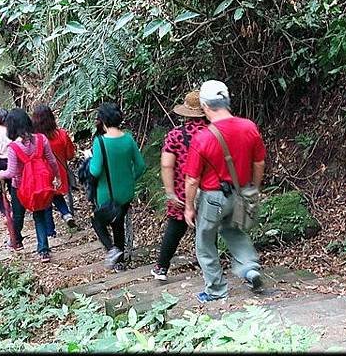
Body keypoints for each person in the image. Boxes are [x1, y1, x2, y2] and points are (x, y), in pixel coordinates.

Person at [183, 80, 266, 303]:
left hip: (212, 198)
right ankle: (249, 268)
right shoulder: (249, 127)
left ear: (204, 106)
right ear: (227, 102)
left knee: (205, 242)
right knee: (235, 231)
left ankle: (216, 290)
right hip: (240, 192)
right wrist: (253, 188)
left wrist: (189, 207)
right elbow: (259, 162)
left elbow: (192, 179)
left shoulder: (203, 137)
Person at [151, 90, 209, 281]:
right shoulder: (214, 132)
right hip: (210, 189)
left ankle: (161, 268)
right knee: (207, 229)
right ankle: (208, 267)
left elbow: (167, 164)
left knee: (175, 229)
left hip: (182, 189)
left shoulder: (176, 135)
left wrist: (169, 193)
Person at [0, 108, 61, 262]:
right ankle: (43, 250)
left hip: (20, 187)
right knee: (39, 216)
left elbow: (11, 172)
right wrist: (57, 176)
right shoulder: (41, 139)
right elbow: (51, 160)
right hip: (39, 185)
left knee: (18, 216)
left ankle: (16, 241)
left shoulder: (13, 148)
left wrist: (0, 174)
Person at [89, 103, 145, 272]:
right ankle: (119, 262)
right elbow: (141, 166)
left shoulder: (100, 142)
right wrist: (129, 179)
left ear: (103, 121)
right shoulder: (128, 139)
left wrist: (89, 159)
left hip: (106, 193)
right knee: (118, 223)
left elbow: (95, 169)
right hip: (126, 193)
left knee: (97, 222)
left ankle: (112, 249)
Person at [32, 104, 77, 236]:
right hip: (59, 174)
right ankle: (66, 213)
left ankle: (50, 232)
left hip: (42, 175)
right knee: (56, 196)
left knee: (46, 203)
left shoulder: (35, 139)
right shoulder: (62, 134)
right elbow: (70, 155)